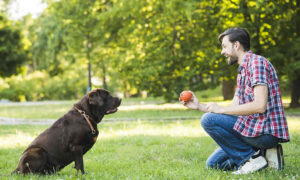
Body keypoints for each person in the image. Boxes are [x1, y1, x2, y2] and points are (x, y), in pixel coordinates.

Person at [181, 27, 289, 174]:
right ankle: (264, 154)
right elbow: (233, 110)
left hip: (265, 132)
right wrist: (200, 105)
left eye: (224, 46)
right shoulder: (242, 71)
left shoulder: (257, 63)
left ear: (236, 45)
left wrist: (220, 109)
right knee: (214, 164)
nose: (222, 51)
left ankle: (252, 158)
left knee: (208, 120)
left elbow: (260, 106)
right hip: (250, 129)